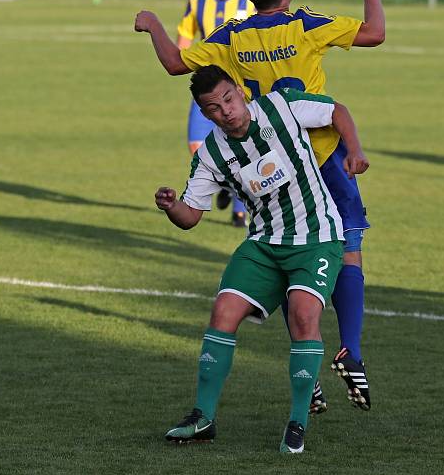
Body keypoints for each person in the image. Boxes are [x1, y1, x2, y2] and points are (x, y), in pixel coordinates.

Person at [135, 0, 389, 409]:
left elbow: (176, 64)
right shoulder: (306, 24)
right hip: (324, 150)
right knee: (347, 248)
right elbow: (374, 32)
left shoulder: (234, 35)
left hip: (269, 156)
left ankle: (306, 373)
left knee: (285, 251)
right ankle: (350, 345)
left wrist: (154, 23)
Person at [156, 65, 369, 453]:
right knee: (223, 311)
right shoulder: (213, 153)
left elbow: (336, 110)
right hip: (265, 243)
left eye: (229, 99)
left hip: (318, 236)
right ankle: (202, 417)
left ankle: (297, 422)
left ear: (239, 91)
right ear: (205, 115)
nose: (227, 111)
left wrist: (354, 150)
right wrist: (171, 207)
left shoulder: (280, 107)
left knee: (303, 315)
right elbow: (190, 217)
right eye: (214, 108)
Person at [177, 0, 254, 227]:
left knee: (241, 144)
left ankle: (239, 207)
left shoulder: (248, 2)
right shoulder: (197, 1)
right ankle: (227, 186)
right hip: (207, 89)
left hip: (238, 90)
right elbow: (184, 38)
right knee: (196, 145)